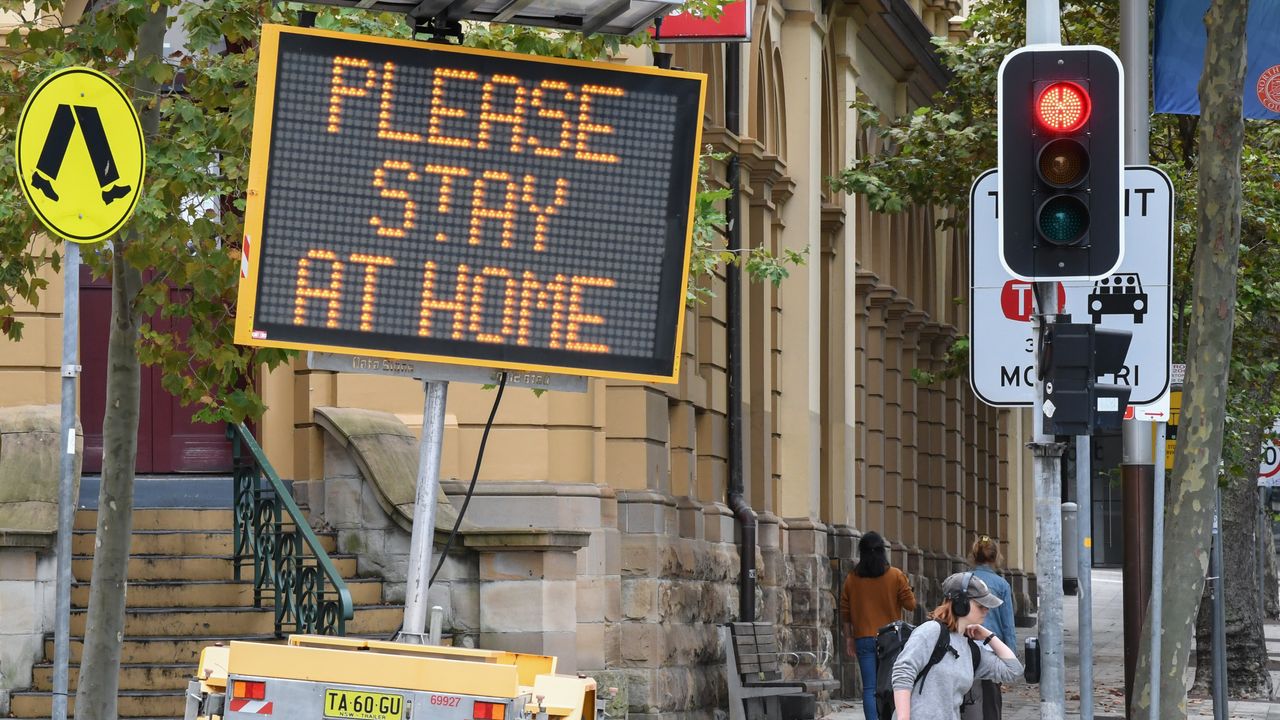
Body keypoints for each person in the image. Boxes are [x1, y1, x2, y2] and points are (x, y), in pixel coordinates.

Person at [890, 572, 1023, 720]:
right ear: (961, 604)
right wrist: (903, 717)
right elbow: (903, 671)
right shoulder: (931, 631)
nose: (986, 610)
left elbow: (1014, 671)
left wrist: (989, 637)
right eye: (980, 605)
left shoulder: (971, 650)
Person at [840, 532, 917, 720]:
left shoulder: (852, 579)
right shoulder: (896, 575)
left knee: (869, 688)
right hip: (890, 640)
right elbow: (911, 605)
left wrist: (849, 638)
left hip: (863, 638)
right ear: (883, 552)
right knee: (891, 685)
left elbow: (845, 611)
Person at [962, 536, 1016, 720]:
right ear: (995, 557)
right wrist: (1010, 655)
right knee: (992, 700)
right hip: (992, 647)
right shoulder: (1002, 585)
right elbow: (1008, 624)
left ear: (973, 555)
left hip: (967, 646)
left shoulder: (964, 580)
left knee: (969, 697)